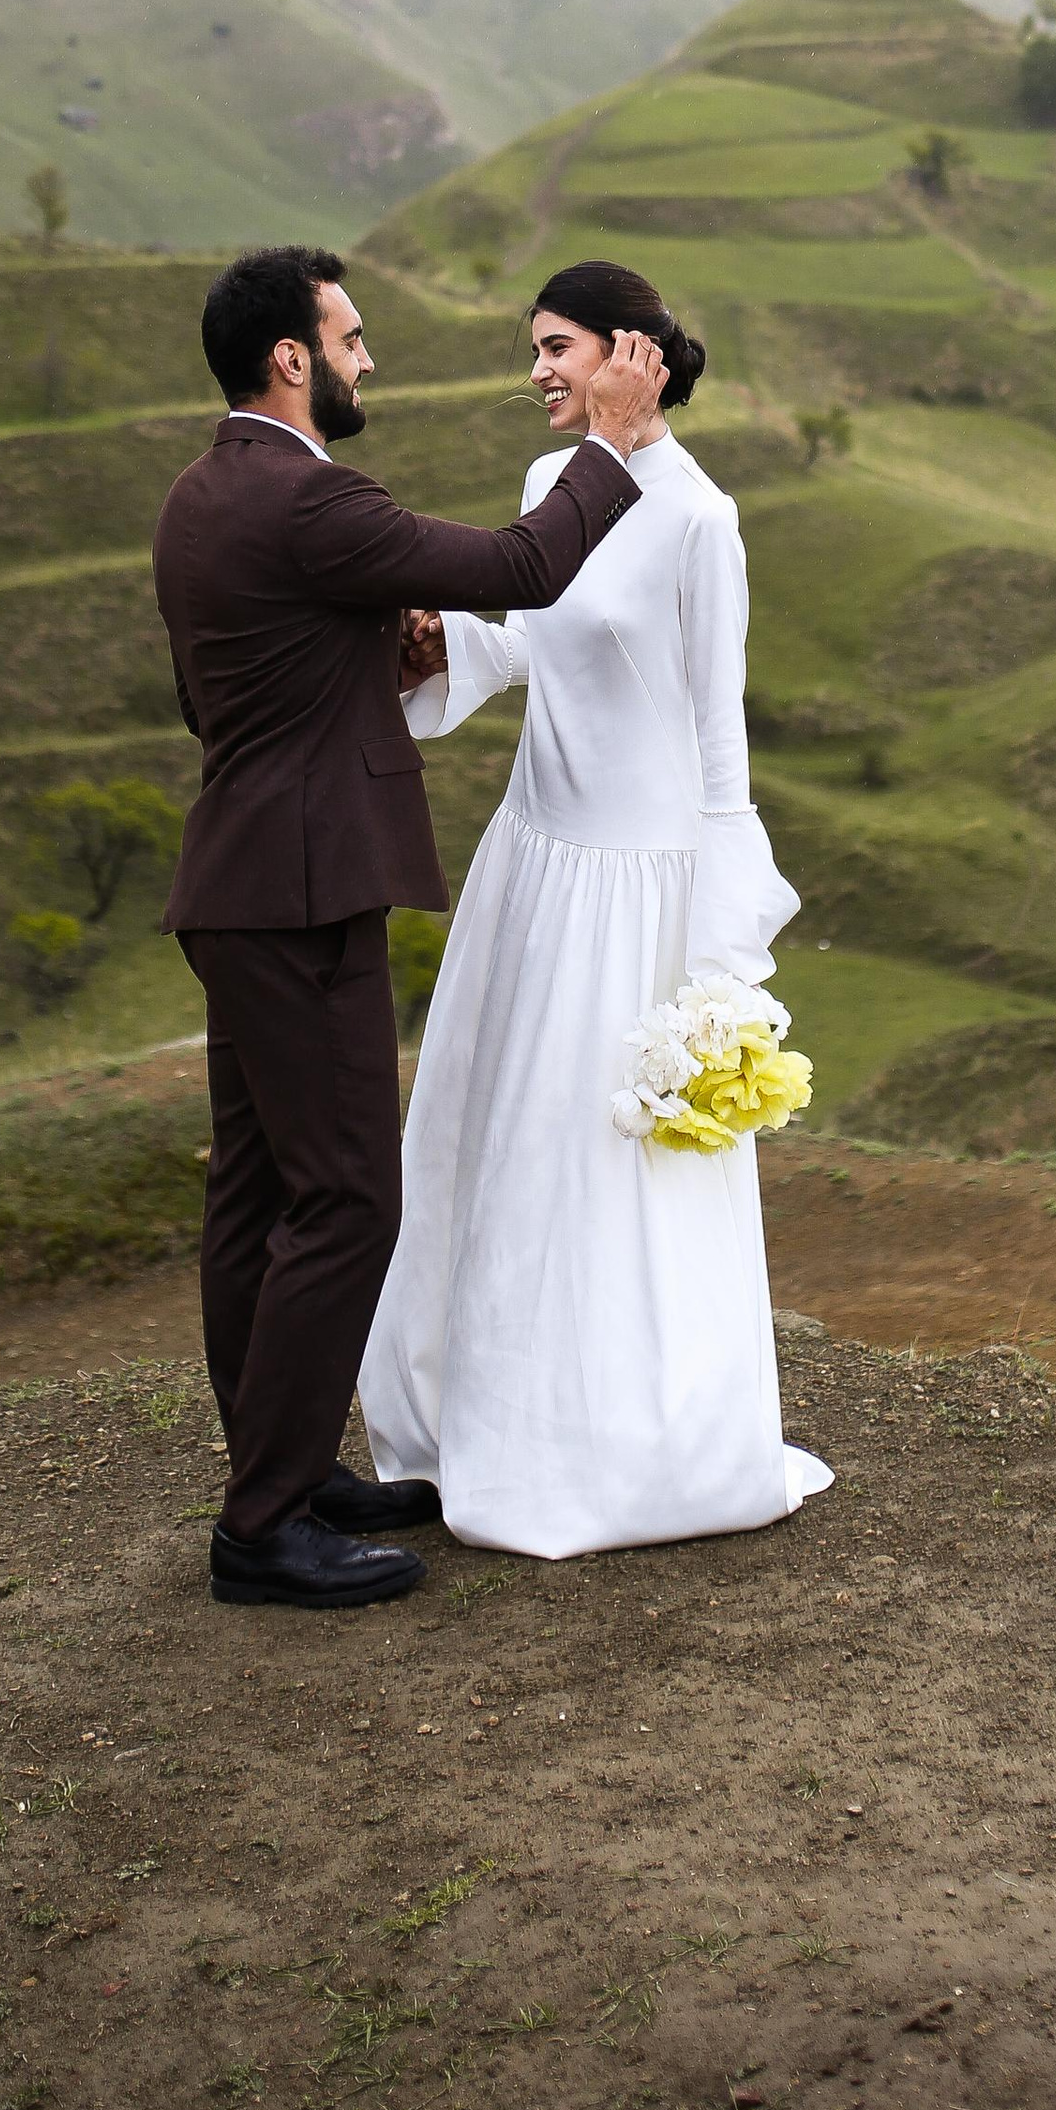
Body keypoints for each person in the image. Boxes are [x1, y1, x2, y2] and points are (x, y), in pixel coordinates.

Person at [154, 243, 668, 1611]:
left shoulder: (203, 496)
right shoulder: (315, 501)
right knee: (347, 1201)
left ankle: (288, 1469)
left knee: (258, 1196)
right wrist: (612, 444)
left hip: (240, 880)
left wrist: (367, 652)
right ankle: (262, 1525)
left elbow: (236, 695)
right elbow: (525, 564)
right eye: (353, 337)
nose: (367, 359)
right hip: (304, 894)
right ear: (291, 359)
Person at [359, 258, 833, 1558]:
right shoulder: (547, 489)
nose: (536, 370)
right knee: (496, 1141)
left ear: (632, 354)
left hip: (642, 890)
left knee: (610, 1161)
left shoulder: (701, 520)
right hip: (535, 867)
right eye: (535, 349)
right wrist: (452, 643)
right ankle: (484, 1421)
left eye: (557, 346)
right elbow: (538, 631)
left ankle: (623, 1449)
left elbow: (717, 739)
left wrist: (722, 953)